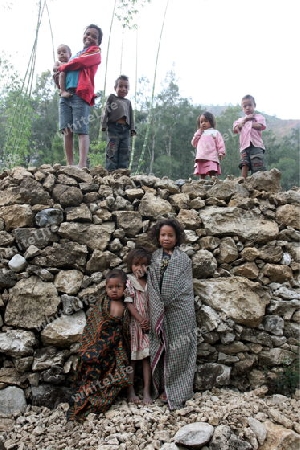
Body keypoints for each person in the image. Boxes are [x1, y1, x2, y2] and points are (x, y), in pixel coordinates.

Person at [67, 269, 132, 422]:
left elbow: (126, 329)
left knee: (114, 374)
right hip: (99, 345)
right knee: (90, 368)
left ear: (125, 288)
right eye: (111, 287)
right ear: (105, 288)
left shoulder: (127, 305)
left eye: (118, 287)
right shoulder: (103, 303)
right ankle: (81, 400)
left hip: (114, 347)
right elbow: (94, 326)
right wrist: (93, 346)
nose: (114, 290)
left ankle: (99, 400)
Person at [147, 218, 197, 410]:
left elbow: (184, 287)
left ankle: (176, 391)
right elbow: (150, 283)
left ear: (177, 238)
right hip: (158, 310)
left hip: (180, 311)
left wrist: (168, 300)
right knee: (160, 348)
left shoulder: (183, 260)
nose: (166, 238)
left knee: (179, 350)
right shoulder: (153, 258)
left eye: (170, 235)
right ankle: (160, 387)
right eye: (163, 235)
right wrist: (159, 303)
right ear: (158, 237)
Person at [54, 24, 102, 168]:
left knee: (81, 130)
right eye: (87, 34)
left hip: (80, 94)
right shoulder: (74, 54)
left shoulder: (95, 52)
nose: (90, 37)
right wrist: (57, 75)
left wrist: (62, 67)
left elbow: (80, 63)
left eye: (94, 36)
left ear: (98, 41)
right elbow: (63, 73)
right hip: (65, 94)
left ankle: (81, 164)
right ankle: (69, 164)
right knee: (67, 130)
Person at [124, 248, 152, 405]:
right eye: (136, 264)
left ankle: (147, 391)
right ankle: (131, 390)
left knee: (146, 358)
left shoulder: (150, 282)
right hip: (135, 325)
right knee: (132, 359)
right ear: (130, 266)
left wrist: (148, 321)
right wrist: (140, 319)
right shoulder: (129, 281)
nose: (140, 268)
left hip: (147, 326)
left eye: (143, 265)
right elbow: (129, 304)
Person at [101, 74, 136, 171]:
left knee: (125, 150)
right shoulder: (112, 98)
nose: (123, 89)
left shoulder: (128, 102)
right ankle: (110, 172)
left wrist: (132, 128)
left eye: (126, 87)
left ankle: (122, 172)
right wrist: (103, 124)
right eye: (120, 86)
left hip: (125, 130)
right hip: (113, 129)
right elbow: (106, 111)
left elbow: (131, 116)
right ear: (115, 88)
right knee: (112, 149)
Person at [233, 94, 267, 178]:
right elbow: (236, 129)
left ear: (254, 105)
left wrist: (250, 123)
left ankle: (257, 183)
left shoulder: (259, 117)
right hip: (244, 146)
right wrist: (245, 120)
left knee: (257, 164)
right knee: (244, 163)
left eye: (250, 105)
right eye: (245, 106)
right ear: (242, 108)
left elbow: (261, 126)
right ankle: (243, 181)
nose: (247, 108)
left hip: (256, 145)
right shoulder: (240, 120)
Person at [191, 111, 226, 179]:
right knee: (201, 172)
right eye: (201, 122)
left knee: (212, 171)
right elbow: (194, 143)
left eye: (206, 121)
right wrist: (198, 133)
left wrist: (221, 152)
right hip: (201, 156)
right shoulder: (199, 133)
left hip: (212, 156)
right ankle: (202, 183)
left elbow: (220, 143)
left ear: (211, 122)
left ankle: (214, 182)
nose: (203, 123)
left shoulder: (215, 132)